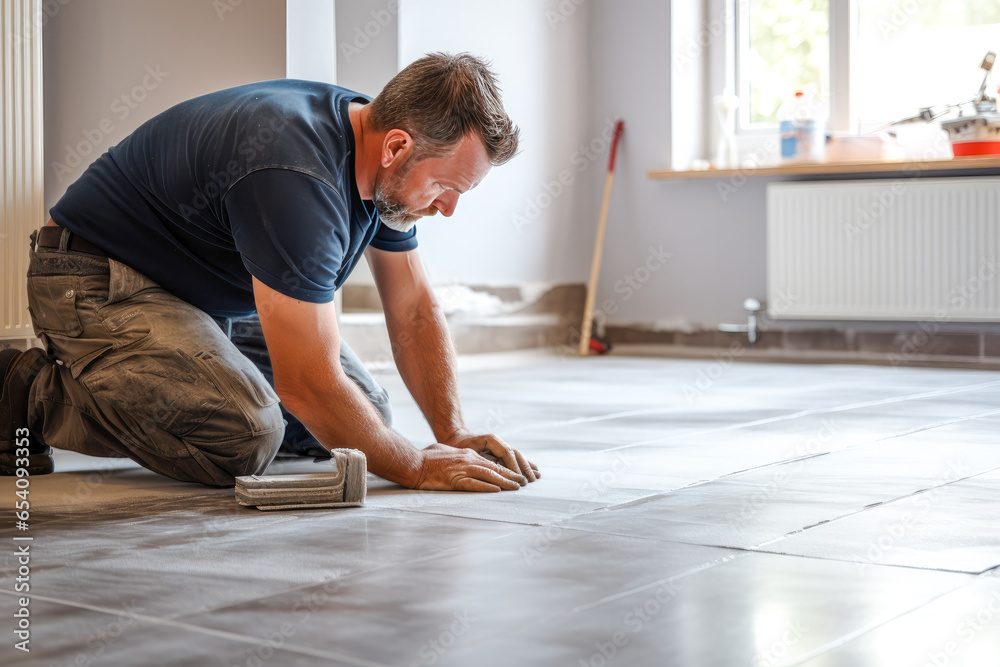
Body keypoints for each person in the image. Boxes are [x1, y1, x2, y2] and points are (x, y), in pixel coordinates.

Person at [0, 52, 540, 492]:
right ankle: (24, 390)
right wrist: (418, 468)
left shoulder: (381, 162)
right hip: (95, 276)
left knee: (363, 418)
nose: (447, 209)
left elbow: (415, 310)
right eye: (447, 188)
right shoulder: (295, 172)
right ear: (398, 145)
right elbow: (305, 380)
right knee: (245, 435)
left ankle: (177, 378)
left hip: (198, 298)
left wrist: (453, 433)